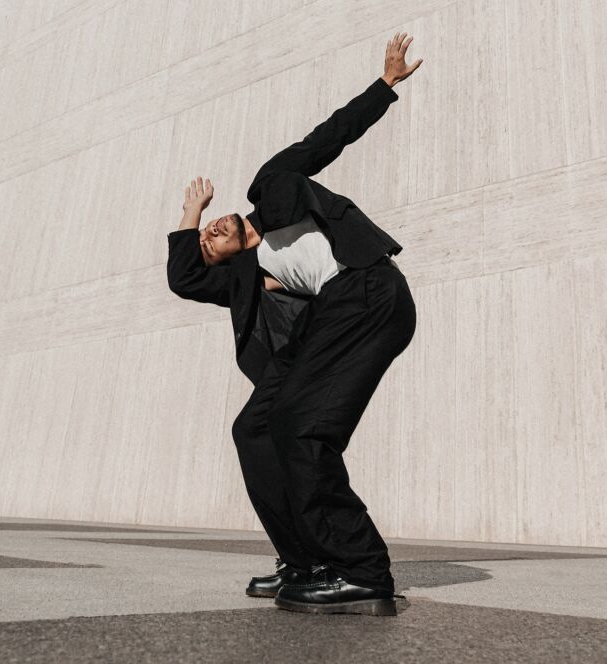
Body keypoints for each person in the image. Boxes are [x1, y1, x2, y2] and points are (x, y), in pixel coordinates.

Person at [167, 33, 422, 616]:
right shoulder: (250, 277)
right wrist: (188, 213)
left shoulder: (274, 186)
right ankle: (305, 561)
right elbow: (183, 278)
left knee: (303, 428)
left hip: (368, 291)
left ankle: (361, 572)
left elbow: (326, 138)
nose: (211, 231)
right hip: (332, 319)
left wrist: (384, 86)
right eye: (207, 241)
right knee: (256, 430)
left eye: (211, 227)